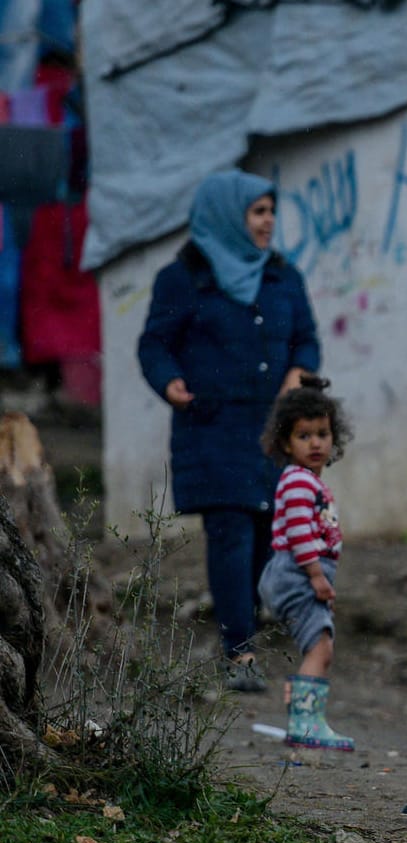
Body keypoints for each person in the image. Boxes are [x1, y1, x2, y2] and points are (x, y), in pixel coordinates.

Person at [137, 170, 321, 691]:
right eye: (257, 212)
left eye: (270, 212)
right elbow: (155, 344)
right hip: (213, 427)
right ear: (226, 216)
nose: (267, 223)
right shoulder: (184, 278)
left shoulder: (282, 276)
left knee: (268, 532)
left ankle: (248, 634)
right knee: (231, 533)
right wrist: (168, 380)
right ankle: (237, 653)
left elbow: (306, 339)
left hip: (271, 430)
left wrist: (297, 373)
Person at [257, 377, 354, 750]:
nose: (315, 443)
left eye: (322, 433)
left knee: (319, 646)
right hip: (298, 574)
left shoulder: (307, 481)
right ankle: (305, 724)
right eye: (304, 435)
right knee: (320, 649)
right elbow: (299, 535)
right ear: (285, 442)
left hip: (301, 574)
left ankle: (304, 715)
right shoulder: (298, 482)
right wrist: (316, 576)